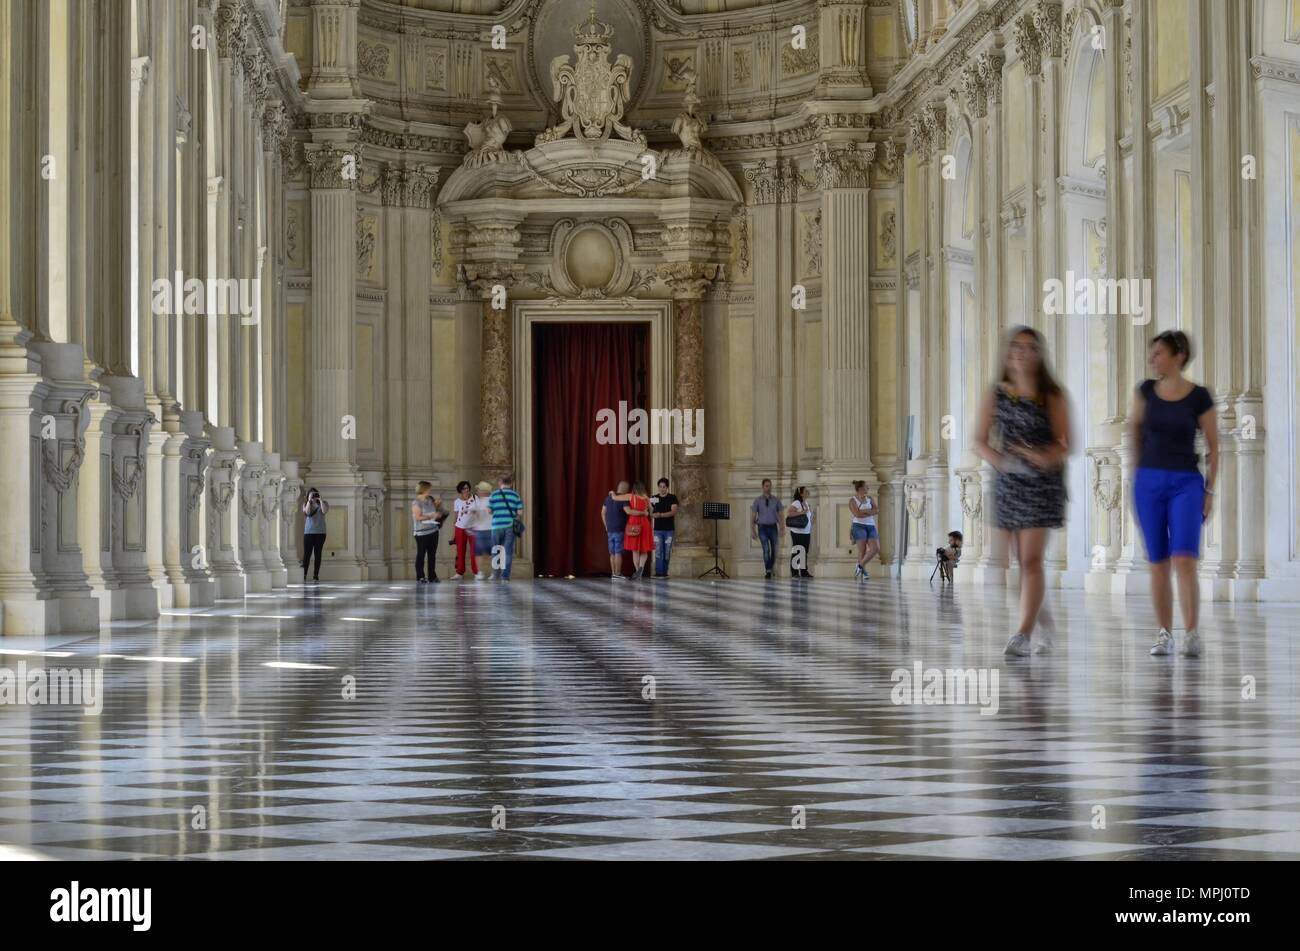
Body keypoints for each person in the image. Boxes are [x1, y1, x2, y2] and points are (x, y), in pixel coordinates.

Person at [974, 326, 1071, 657]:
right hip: (1008, 482)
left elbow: (1064, 443)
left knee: (1031, 561)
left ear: (1039, 354)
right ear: (1007, 353)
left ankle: (1022, 634)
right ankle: (1042, 623)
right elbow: (978, 440)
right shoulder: (997, 394)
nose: (1022, 352)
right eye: (1016, 347)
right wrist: (1001, 462)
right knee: (1012, 563)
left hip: (1042, 483)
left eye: (1030, 347)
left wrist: (1042, 457)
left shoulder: (1051, 395)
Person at [1128, 330, 1218, 658]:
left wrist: (1209, 490)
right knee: (1158, 562)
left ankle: (1192, 632)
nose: (1153, 360)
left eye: (1159, 353)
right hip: (1149, 483)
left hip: (1186, 483)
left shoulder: (1200, 397)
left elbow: (1213, 447)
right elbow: (1134, 431)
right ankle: (1165, 633)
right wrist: (1137, 476)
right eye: (1152, 354)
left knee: (1184, 558)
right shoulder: (1145, 391)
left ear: (1178, 355)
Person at [487, 474, 524, 581]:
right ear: (511, 483)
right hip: (509, 526)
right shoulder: (516, 495)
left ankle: (495, 574)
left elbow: (489, 511)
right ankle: (505, 576)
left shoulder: (494, 495)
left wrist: (497, 510)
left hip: (496, 525)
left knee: (496, 550)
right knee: (507, 551)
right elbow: (520, 512)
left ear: (500, 483)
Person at [411, 481, 444, 584]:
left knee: (432, 555)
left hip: (433, 530)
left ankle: (432, 576)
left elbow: (437, 511)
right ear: (423, 489)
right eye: (429, 488)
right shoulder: (416, 502)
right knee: (421, 554)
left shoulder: (431, 499)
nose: (430, 490)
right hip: (421, 532)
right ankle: (420, 576)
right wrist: (430, 515)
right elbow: (418, 517)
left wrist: (438, 506)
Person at [751, 479, 784, 579]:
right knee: (766, 549)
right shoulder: (757, 500)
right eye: (766, 486)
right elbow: (753, 516)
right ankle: (768, 570)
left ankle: (771, 567)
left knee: (774, 549)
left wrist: (782, 527)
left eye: (769, 486)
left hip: (773, 526)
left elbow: (780, 515)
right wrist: (752, 530)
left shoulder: (776, 500)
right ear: (762, 487)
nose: (768, 488)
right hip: (762, 527)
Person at [623, 481, 654, 578]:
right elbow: (651, 511)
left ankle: (637, 572)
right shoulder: (646, 498)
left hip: (634, 524)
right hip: (645, 524)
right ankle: (641, 567)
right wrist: (646, 511)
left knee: (635, 550)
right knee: (644, 550)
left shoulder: (631, 497)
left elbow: (628, 511)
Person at [849, 481, 880, 580]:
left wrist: (864, 511)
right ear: (861, 488)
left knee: (875, 548)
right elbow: (857, 514)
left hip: (871, 526)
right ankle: (863, 571)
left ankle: (860, 566)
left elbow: (876, 510)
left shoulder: (870, 498)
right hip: (858, 526)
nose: (868, 488)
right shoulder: (852, 500)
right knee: (862, 550)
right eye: (867, 487)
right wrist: (869, 511)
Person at [466, 481, 494, 581]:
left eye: (478, 490)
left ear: (483, 491)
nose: (477, 491)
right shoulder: (478, 501)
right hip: (483, 529)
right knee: (482, 553)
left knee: (485, 553)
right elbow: (470, 511)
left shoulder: (488, 500)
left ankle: (487, 572)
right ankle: (483, 572)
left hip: (486, 530)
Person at [650, 478, 678, 578]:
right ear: (658, 487)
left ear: (667, 487)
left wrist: (661, 515)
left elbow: (673, 511)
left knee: (666, 551)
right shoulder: (654, 497)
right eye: (660, 487)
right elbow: (650, 512)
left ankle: (665, 572)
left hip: (669, 529)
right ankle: (658, 572)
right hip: (657, 529)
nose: (662, 489)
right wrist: (654, 515)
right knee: (658, 550)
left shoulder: (672, 497)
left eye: (664, 487)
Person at [602, 481, 631, 578]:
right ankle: (617, 573)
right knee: (618, 552)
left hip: (610, 529)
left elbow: (602, 512)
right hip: (620, 529)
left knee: (612, 552)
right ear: (626, 490)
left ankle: (613, 573)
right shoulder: (623, 499)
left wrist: (606, 525)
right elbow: (628, 511)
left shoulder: (608, 498)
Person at [451, 481, 478, 580]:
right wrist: (455, 526)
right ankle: (459, 572)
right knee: (460, 550)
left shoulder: (475, 498)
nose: (466, 490)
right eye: (464, 489)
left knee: (474, 551)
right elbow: (456, 515)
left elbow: (480, 512)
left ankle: (476, 572)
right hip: (460, 527)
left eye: (467, 488)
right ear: (460, 490)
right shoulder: (457, 501)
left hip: (473, 527)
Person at [785, 486, 814, 579]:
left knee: (804, 551)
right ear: (801, 493)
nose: (808, 492)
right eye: (806, 491)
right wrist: (802, 512)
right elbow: (789, 513)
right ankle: (794, 572)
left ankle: (803, 571)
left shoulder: (805, 502)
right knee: (797, 550)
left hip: (806, 532)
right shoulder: (797, 502)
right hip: (797, 532)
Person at [302, 487, 328, 583]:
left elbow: (324, 511)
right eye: (312, 495)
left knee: (318, 554)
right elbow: (307, 512)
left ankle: (316, 575)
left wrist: (320, 500)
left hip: (320, 533)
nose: (314, 496)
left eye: (315, 494)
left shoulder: (324, 503)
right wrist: (309, 501)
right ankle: (304, 575)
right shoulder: (305, 504)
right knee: (307, 555)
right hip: (308, 533)